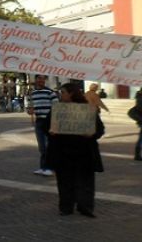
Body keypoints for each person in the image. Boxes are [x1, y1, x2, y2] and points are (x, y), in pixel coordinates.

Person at [46, 83, 104, 217]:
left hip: (84, 153)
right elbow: (46, 126)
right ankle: (66, 207)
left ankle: (85, 207)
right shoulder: (57, 110)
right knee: (64, 181)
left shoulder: (87, 109)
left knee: (85, 182)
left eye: (63, 92)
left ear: (71, 93)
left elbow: (100, 129)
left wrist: (92, 134)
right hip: (63, 152)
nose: (61, 95)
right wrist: (51, 131)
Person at [27, 74, 57, 176]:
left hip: (49, 121)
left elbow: (56, 107)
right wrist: (30, 111)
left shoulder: (50, 92)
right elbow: (29, 109)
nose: (41, 80)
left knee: (48, 145)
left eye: (43, 79)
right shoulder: (32, 94)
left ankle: (50, 168)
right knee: (41, 146)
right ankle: (43, 167)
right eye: (39, 78)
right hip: (39, 121)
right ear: (35, 80)